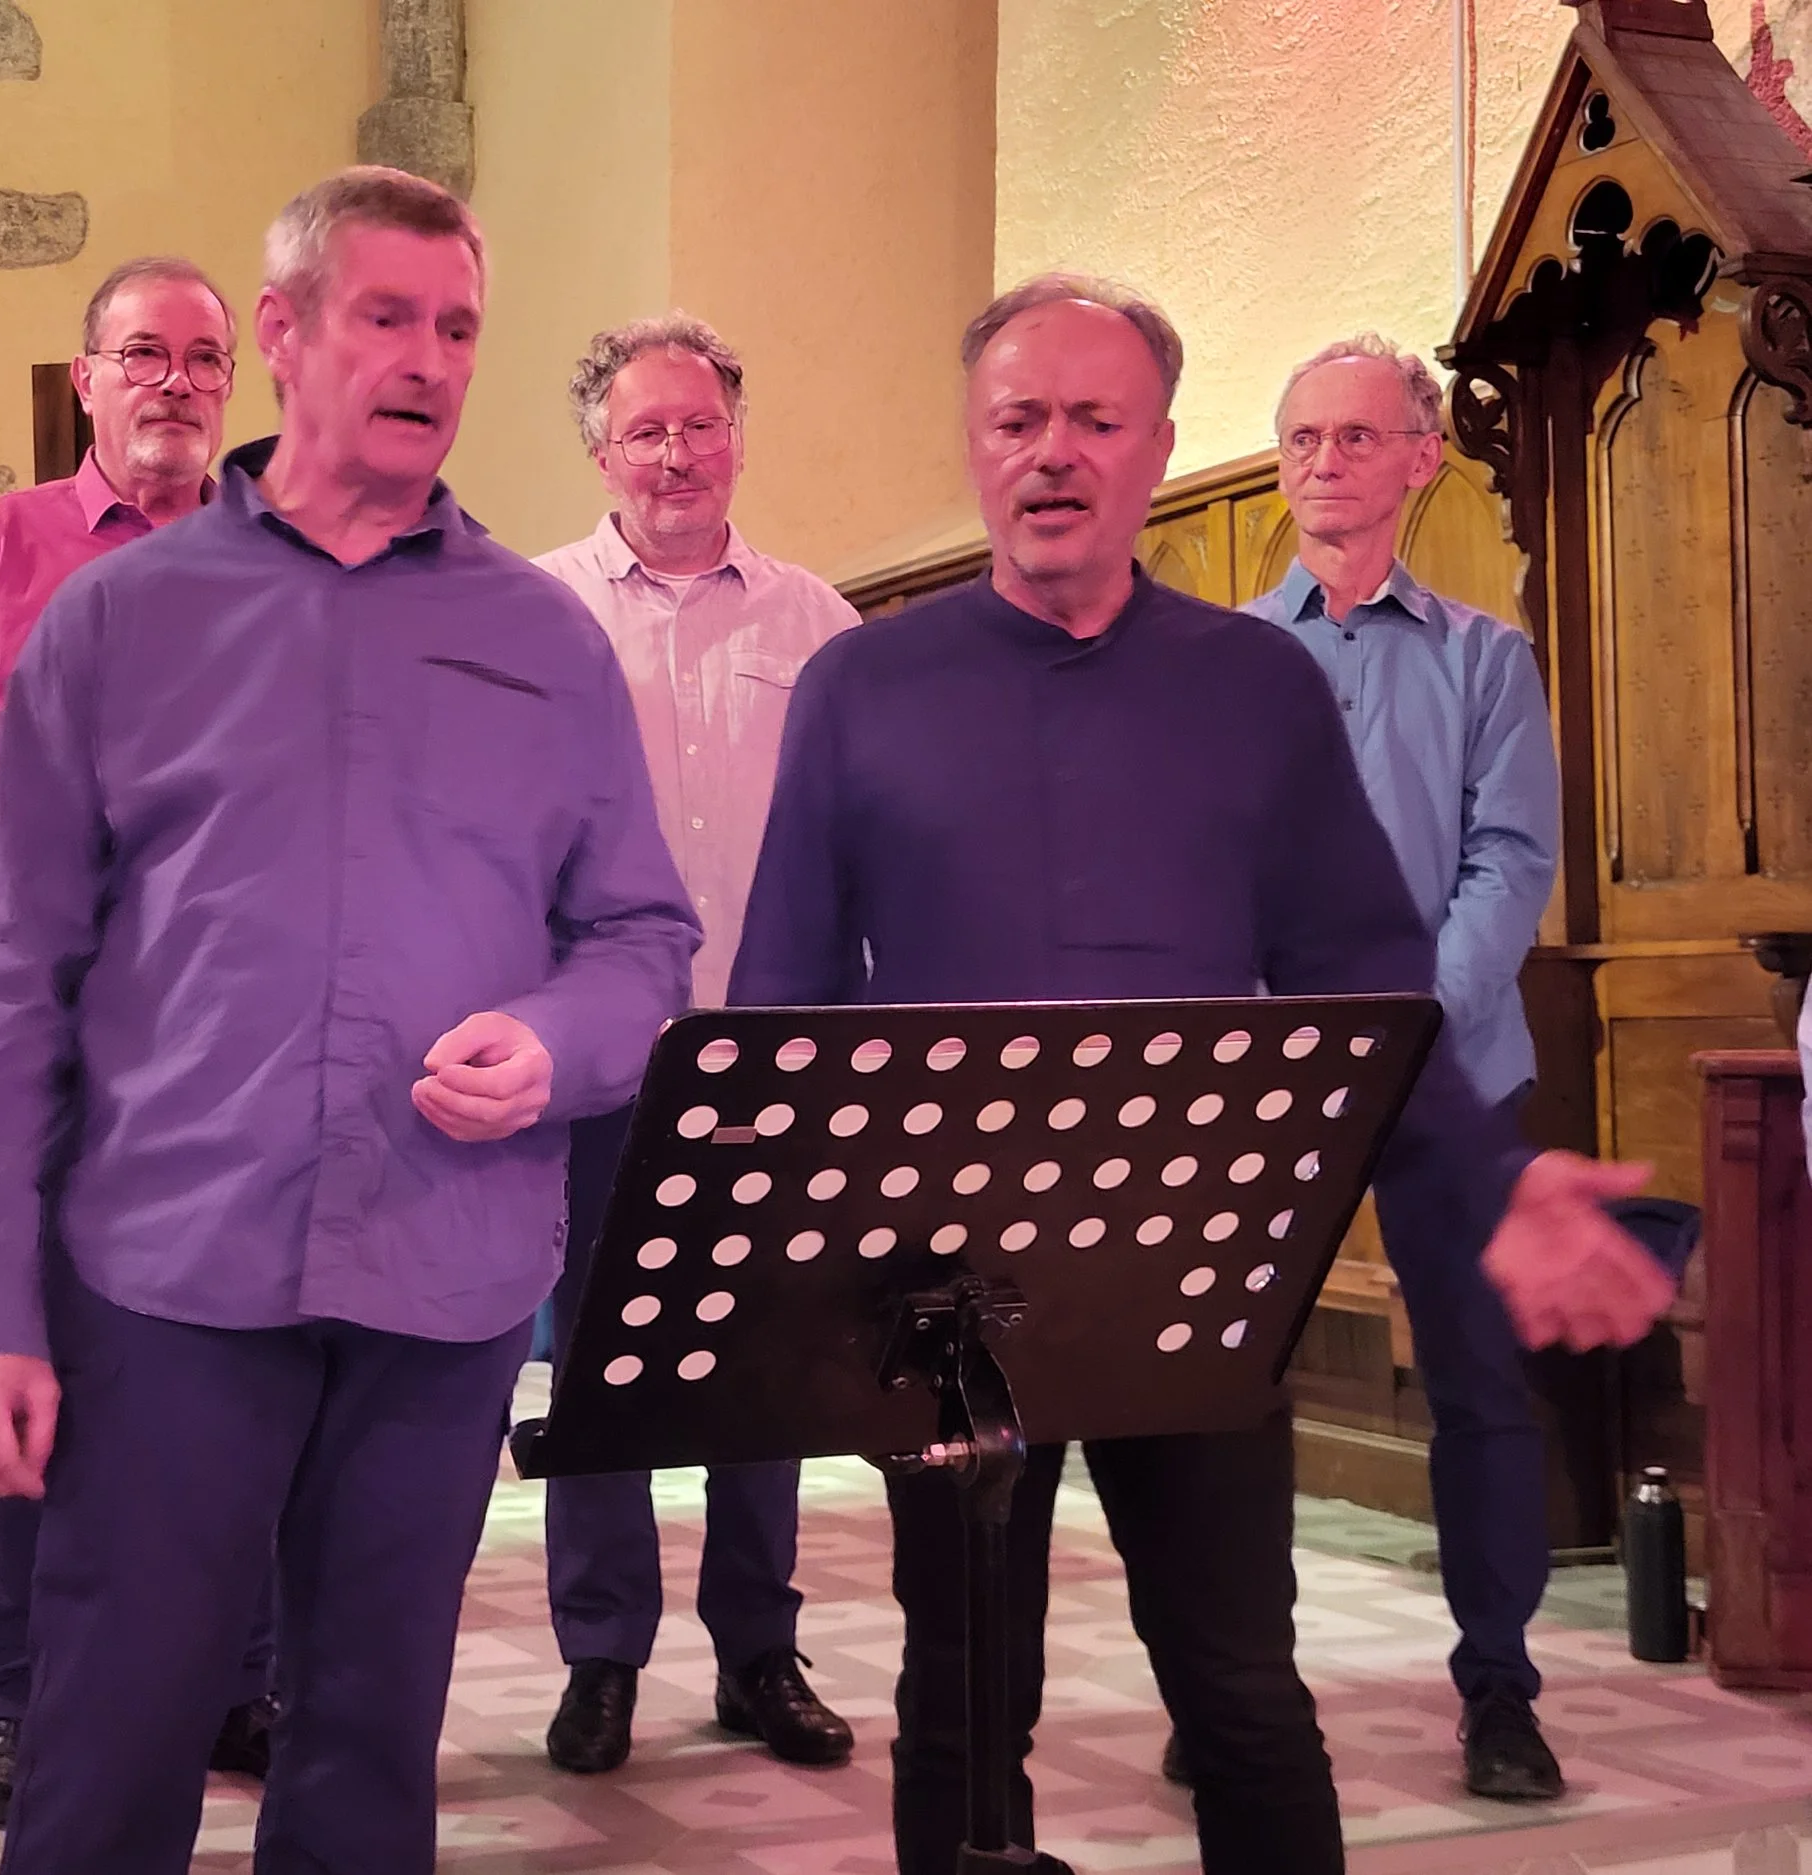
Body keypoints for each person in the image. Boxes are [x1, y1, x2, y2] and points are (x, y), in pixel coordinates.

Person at [727, 273, 1678, 1875]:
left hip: (1193, 1270)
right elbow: (784, 1014)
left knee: (1241, 1690)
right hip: (943, 1302)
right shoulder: (861, 689)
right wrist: (790, 1295)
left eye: (1095, 420)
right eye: (1018, 419)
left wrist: (1486, 1185)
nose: (1053, 454)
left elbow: (1361, 983)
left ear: (1160, 448)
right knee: (965, 1706)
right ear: (974, 444)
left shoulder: (1254, 690)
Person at [0, 165, 699, 1874]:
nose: (429, 356)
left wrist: (558, 1046)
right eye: (387, 315)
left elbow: (643, 938)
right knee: (112, 1741)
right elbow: (8, 987)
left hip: (445, 1280)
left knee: (363, 1753)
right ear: (282, 335)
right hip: (168, 1281)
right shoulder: (119, 622)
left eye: (460, 326)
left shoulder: (545, 640)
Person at [0, 253, 276, 1825]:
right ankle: (11, 1699)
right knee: (25, 1362)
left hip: (231, 1055)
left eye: (202, 358)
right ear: (85, 379)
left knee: (240, 1372)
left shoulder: (275, 553)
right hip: (47, 1040)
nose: (174, 381)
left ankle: (241, 1672)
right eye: (141, 354)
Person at [1241, 333, 1566, 1801]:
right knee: (1225, 1395)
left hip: (1453, 1078)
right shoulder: (1235, 661)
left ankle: (1501, 1688)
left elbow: (1509, 862)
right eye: (1302, 438)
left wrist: (1403, 1027)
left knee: (1484, 1387)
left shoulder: (1490, 660)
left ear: (1422, 458)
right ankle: (1230, 1678)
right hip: (1276, 1092)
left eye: (1355, 437)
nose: (1322, 462)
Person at [532, 313, 856, 1776]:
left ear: (739, 436)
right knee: (610, 1365)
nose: (676, 451)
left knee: (764, 1367)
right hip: (603, 1060)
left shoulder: (820, 624)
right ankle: (601, 1656)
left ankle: (758, 1649)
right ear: (600, 447)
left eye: (701, 424)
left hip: (772, 1052)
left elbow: (864, 840)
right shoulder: (535, 612)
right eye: (647, 428)